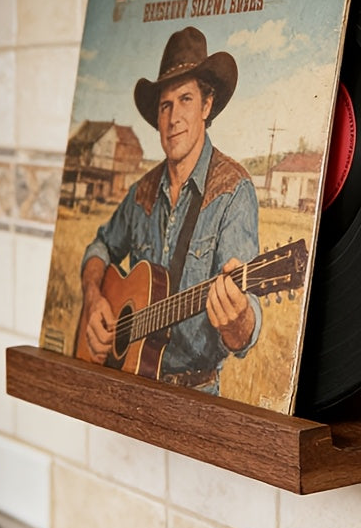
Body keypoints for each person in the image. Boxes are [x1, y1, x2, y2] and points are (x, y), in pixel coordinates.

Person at [77, 26, 261, 392]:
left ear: (207, 106)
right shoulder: (141, 192)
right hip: (127, 381)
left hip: (195, 395)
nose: (174, 116)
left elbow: (246, 326)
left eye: (186, 100)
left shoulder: (233, 192)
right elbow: (100, 247)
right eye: (166, 105)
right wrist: (94, 296)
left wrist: (237, 320)